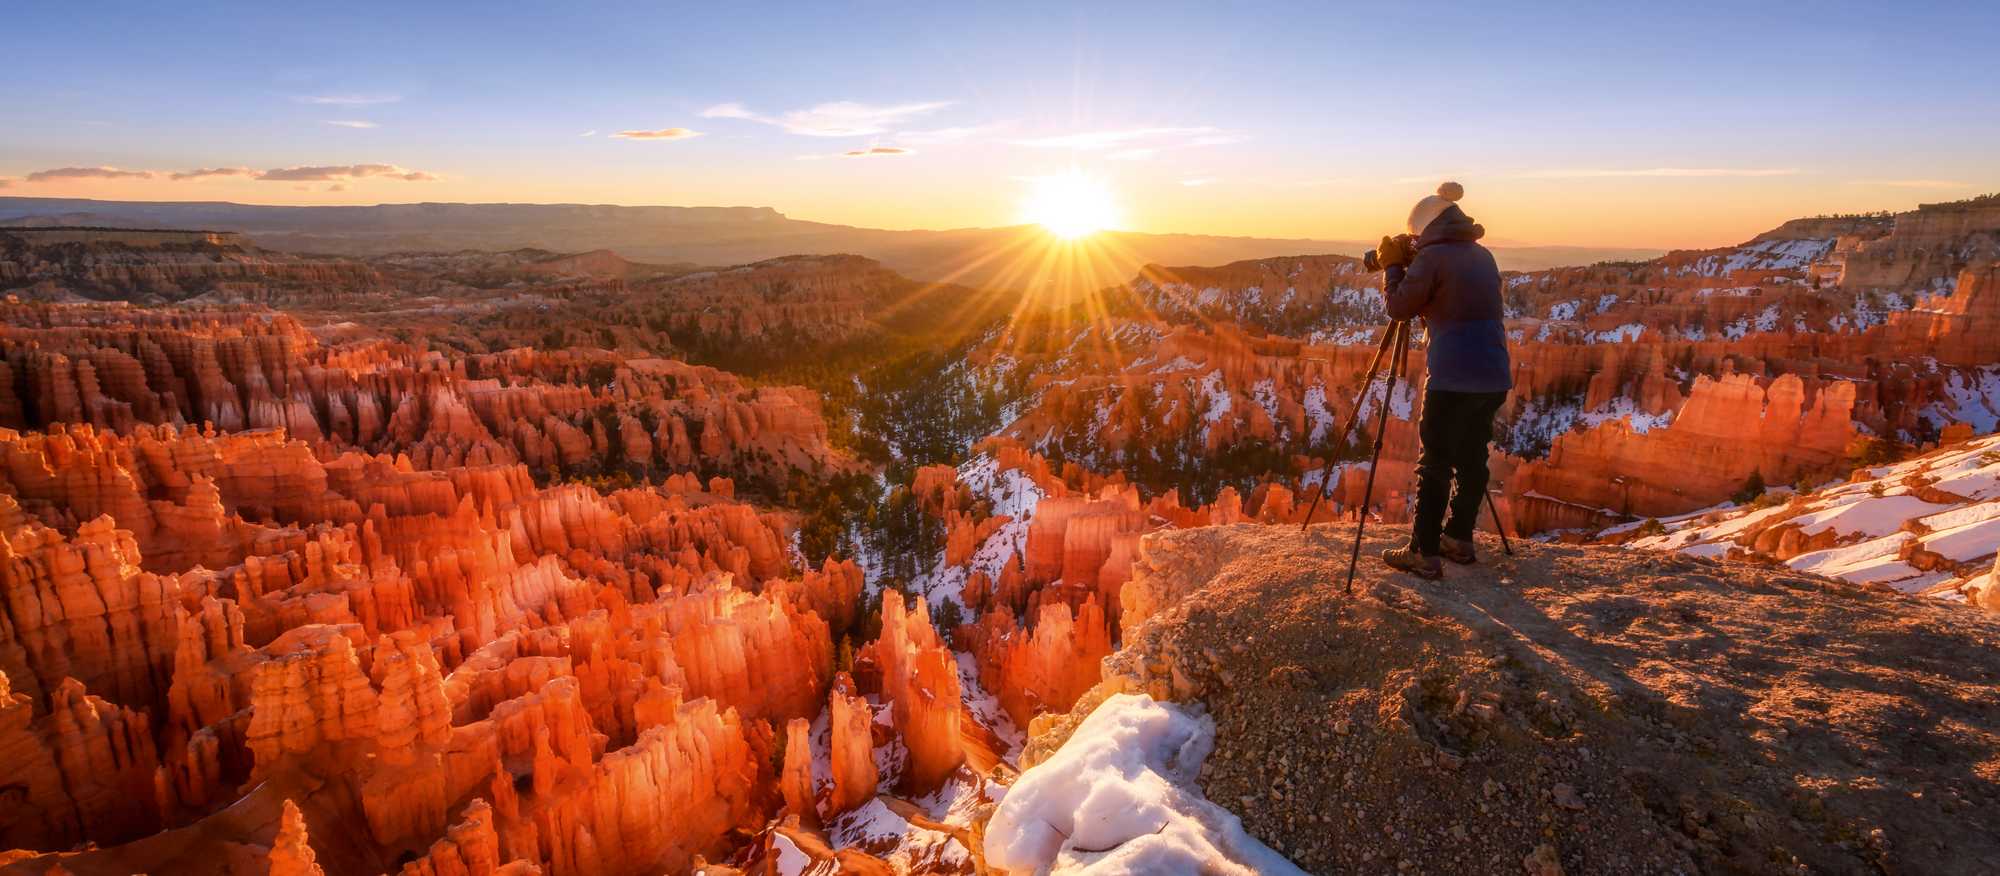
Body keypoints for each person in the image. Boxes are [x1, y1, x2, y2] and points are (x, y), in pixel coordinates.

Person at [1374, 182, 1512, 579]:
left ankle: (1423, 551)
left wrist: (1393, 267)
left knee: (1434, 463)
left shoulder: (1432, 258)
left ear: (1427, 228)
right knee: (1472, 459)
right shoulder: (1483, 255)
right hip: (1493, 374)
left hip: (1452, 376)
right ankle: (1459, 538)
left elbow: (1398, 308)